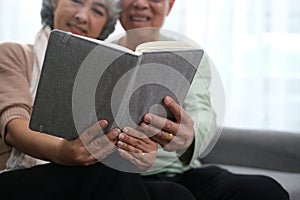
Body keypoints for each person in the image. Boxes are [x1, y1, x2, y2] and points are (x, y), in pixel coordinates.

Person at [0, 0, 196, 199]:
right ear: (54, 4)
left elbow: (114, 144)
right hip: (16, 176)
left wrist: (140, 154)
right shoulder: (14, 54)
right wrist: (63, 152)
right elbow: (14, 130)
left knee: (175, 194)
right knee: (107, 173)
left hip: (82, 177)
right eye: (76, 1)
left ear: (106, 25)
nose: (82, 16)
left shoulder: (106, 77)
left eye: (97, 11)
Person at [110, 0, 290, 199]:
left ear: (169, 6)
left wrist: (190, 136)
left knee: (265, 190)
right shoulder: (99, 54)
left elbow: (202, 109)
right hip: (123, 176)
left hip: (182, 172)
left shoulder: (186, 55)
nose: (141, 4)